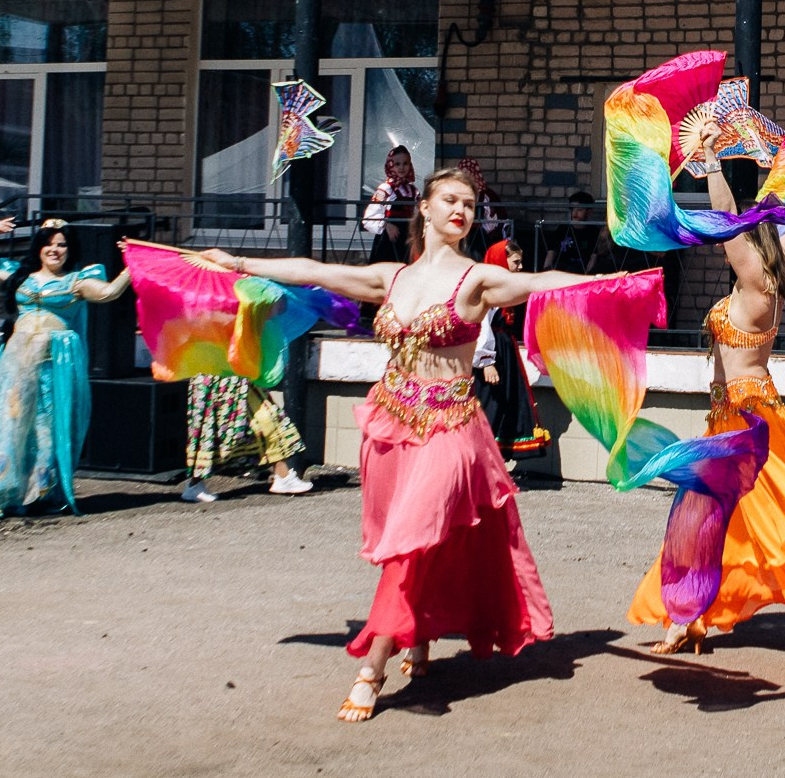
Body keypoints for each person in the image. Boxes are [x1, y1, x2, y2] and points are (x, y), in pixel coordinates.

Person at [205, 166, 606, 722]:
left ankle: (371, 669)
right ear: (425, 207)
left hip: (453, 429)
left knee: (415, 538)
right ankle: (417, 637)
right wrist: (239, 262)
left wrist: (614, 282)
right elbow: (316, 271)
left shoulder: (477, 280)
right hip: (390, 428)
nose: (460, 210)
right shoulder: (391, 278)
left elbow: (543, 282)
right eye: (450, 200)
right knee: (407, 544)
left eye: (468, 204)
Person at [628, 125, 785, 668]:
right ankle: (688, 617)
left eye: (747, 230)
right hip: (739, 413)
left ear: (752, 240)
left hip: (744, 419)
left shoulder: (754, 280)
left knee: (756, 519)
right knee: (712, 518)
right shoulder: (774, 269)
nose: (738, 234)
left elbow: (725, 216)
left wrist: (711, 157)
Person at [0, 218, 132, 522]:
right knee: (9, 424)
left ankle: (41, 493)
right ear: (39, 248)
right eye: (49, 243)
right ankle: (0, 492)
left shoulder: (77, 282)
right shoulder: (20, 278)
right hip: (17, 366)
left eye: (61, 244)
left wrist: (133, 263)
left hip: (54, 368)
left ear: (69, 249)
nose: (55, 249)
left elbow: (109, 293)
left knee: (46, 429)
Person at [473, 239, 552, 462]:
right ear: (501, 261)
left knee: (506, 403)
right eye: (515, 262)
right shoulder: (488, 290)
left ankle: (495, 459)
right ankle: (481, 458)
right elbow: (481, 324)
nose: (520, 266)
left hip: (505, 352)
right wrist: (487, 362)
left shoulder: (506, 288)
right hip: (493, 353)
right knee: (490, 404)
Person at [181, 375, 313, 503]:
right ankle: (194, 485)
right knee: (211, 433)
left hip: (238, 379)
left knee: (270, 418)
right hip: (216, 379)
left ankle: (283, 476)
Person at [361, 146, 418, 266]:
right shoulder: (386, 189)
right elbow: (369, 217)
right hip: (389, 240)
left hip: (407, 239)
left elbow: (418, 212)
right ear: (390, 165)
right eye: (397, 164)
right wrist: (386, 225)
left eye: (405, 163)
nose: (402, 167)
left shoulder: (413, 190)